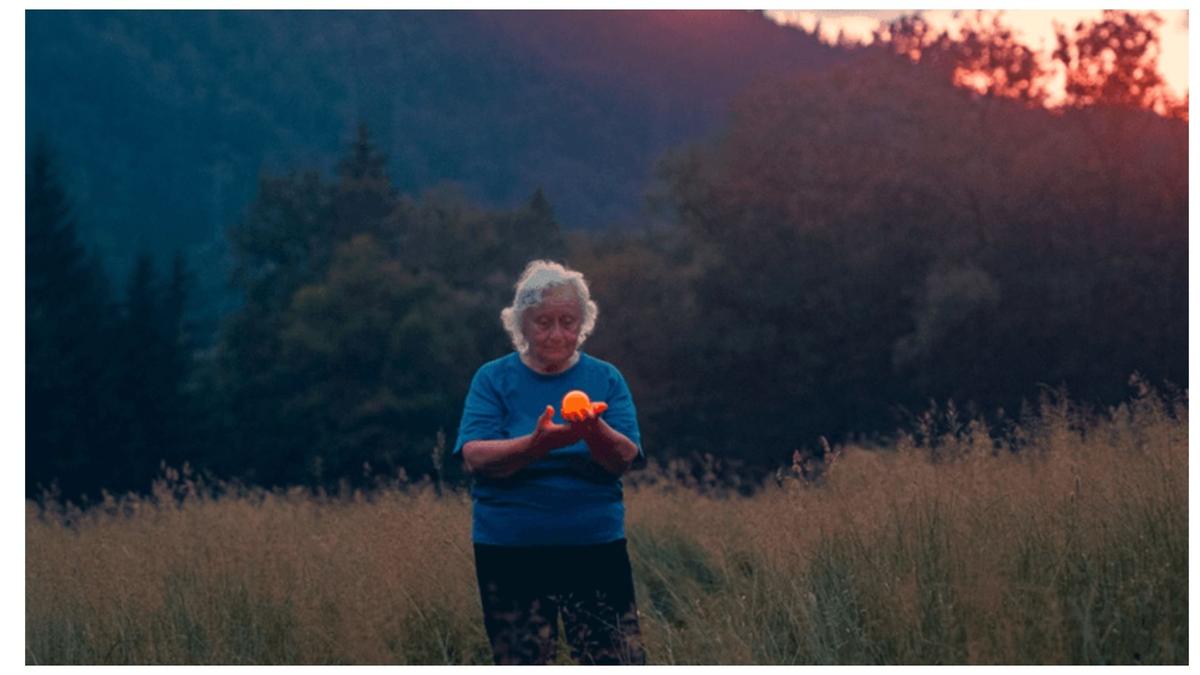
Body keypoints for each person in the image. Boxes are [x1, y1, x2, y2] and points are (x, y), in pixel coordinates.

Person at [453, 259, 647, 665]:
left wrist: (593, 429)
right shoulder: (492, 379)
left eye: (568, 321)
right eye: (543, 322)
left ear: (583, 324)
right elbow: (475, 455)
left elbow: (624, 458)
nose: (557, 333)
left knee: (613, 661)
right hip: (510, 550)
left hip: (594, 546)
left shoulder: (606, 378)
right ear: (521, 325)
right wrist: (536, 444)